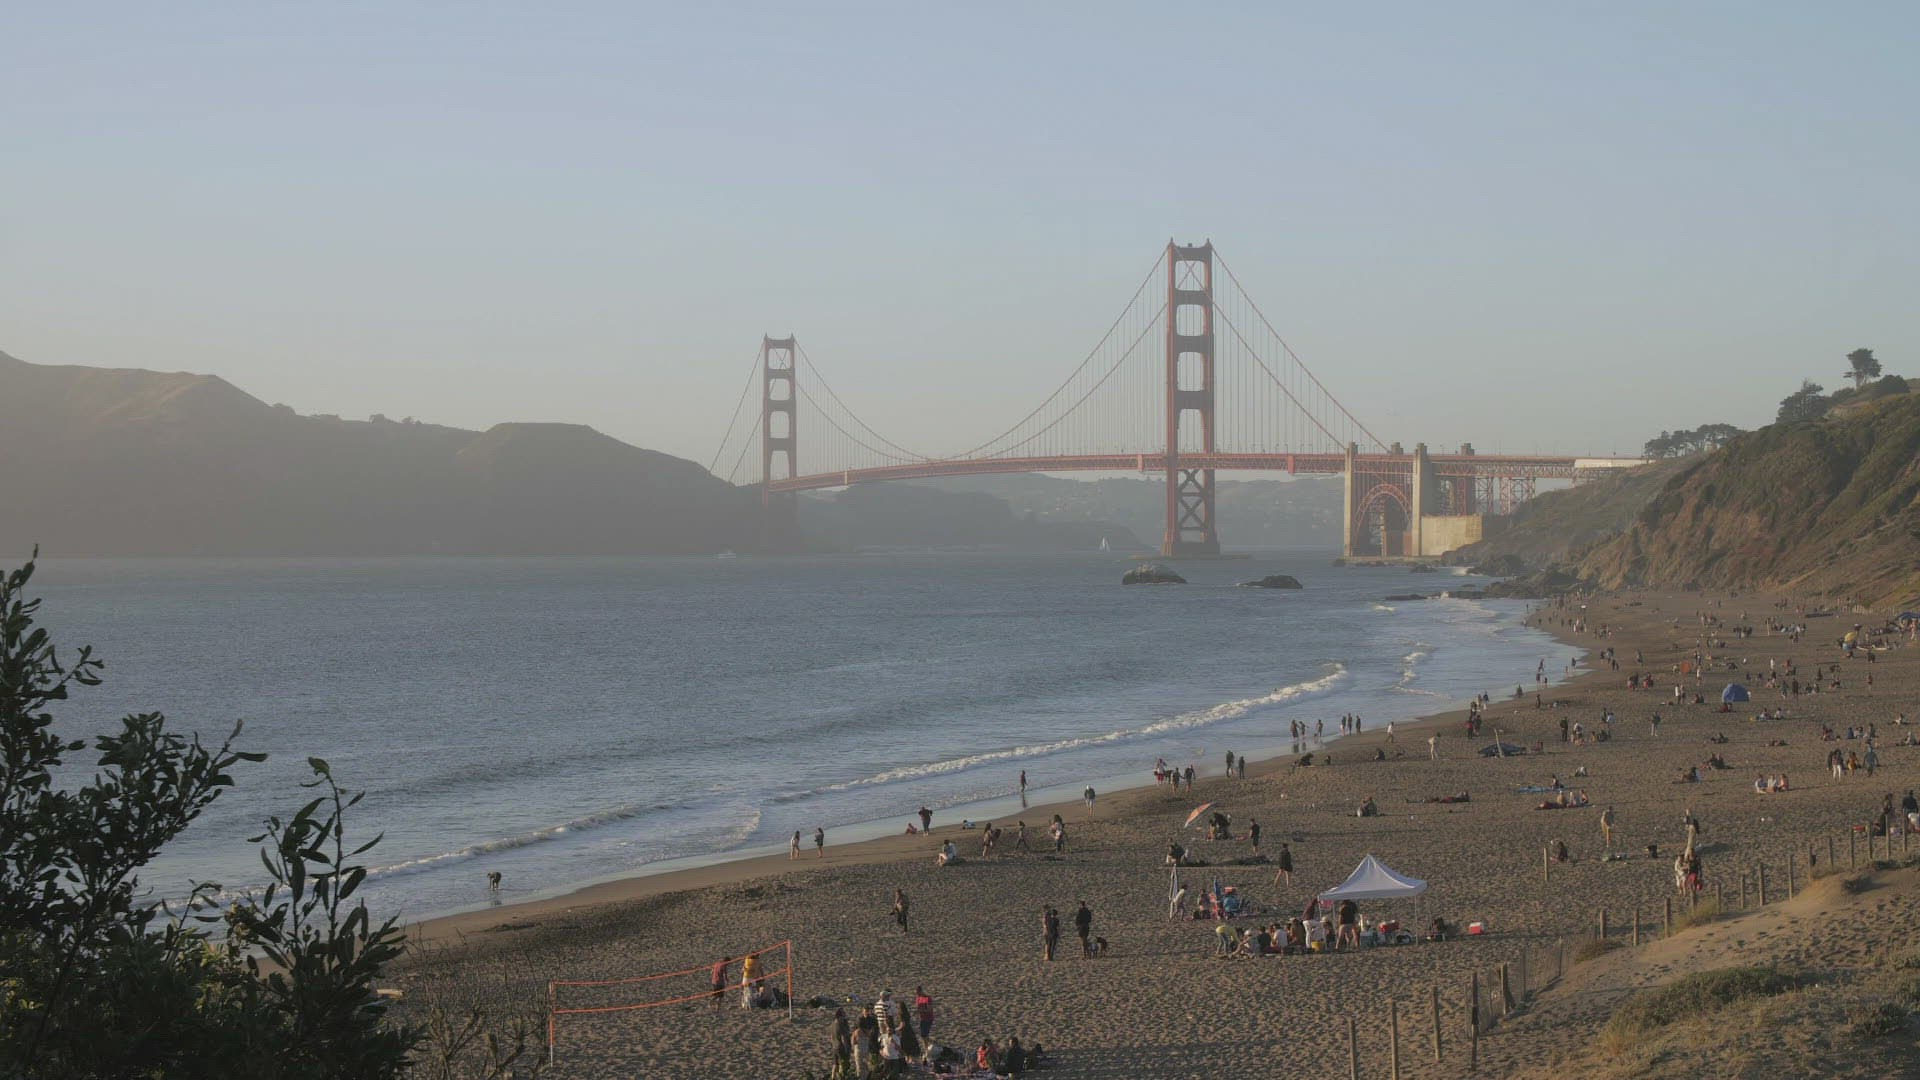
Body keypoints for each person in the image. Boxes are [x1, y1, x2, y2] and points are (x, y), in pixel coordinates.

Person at [831, 1008, 853, 1077]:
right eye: (843, 1014)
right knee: (842, 1064)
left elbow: (831, 1037)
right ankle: (841, 1077)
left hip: (835, 1047)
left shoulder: (833, 1024)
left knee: (835, 1064)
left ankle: (833, 1077)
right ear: (840, 1016)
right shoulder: (840, 1025)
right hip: (841, 1047)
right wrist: (846, 1047)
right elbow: (843, 1037)